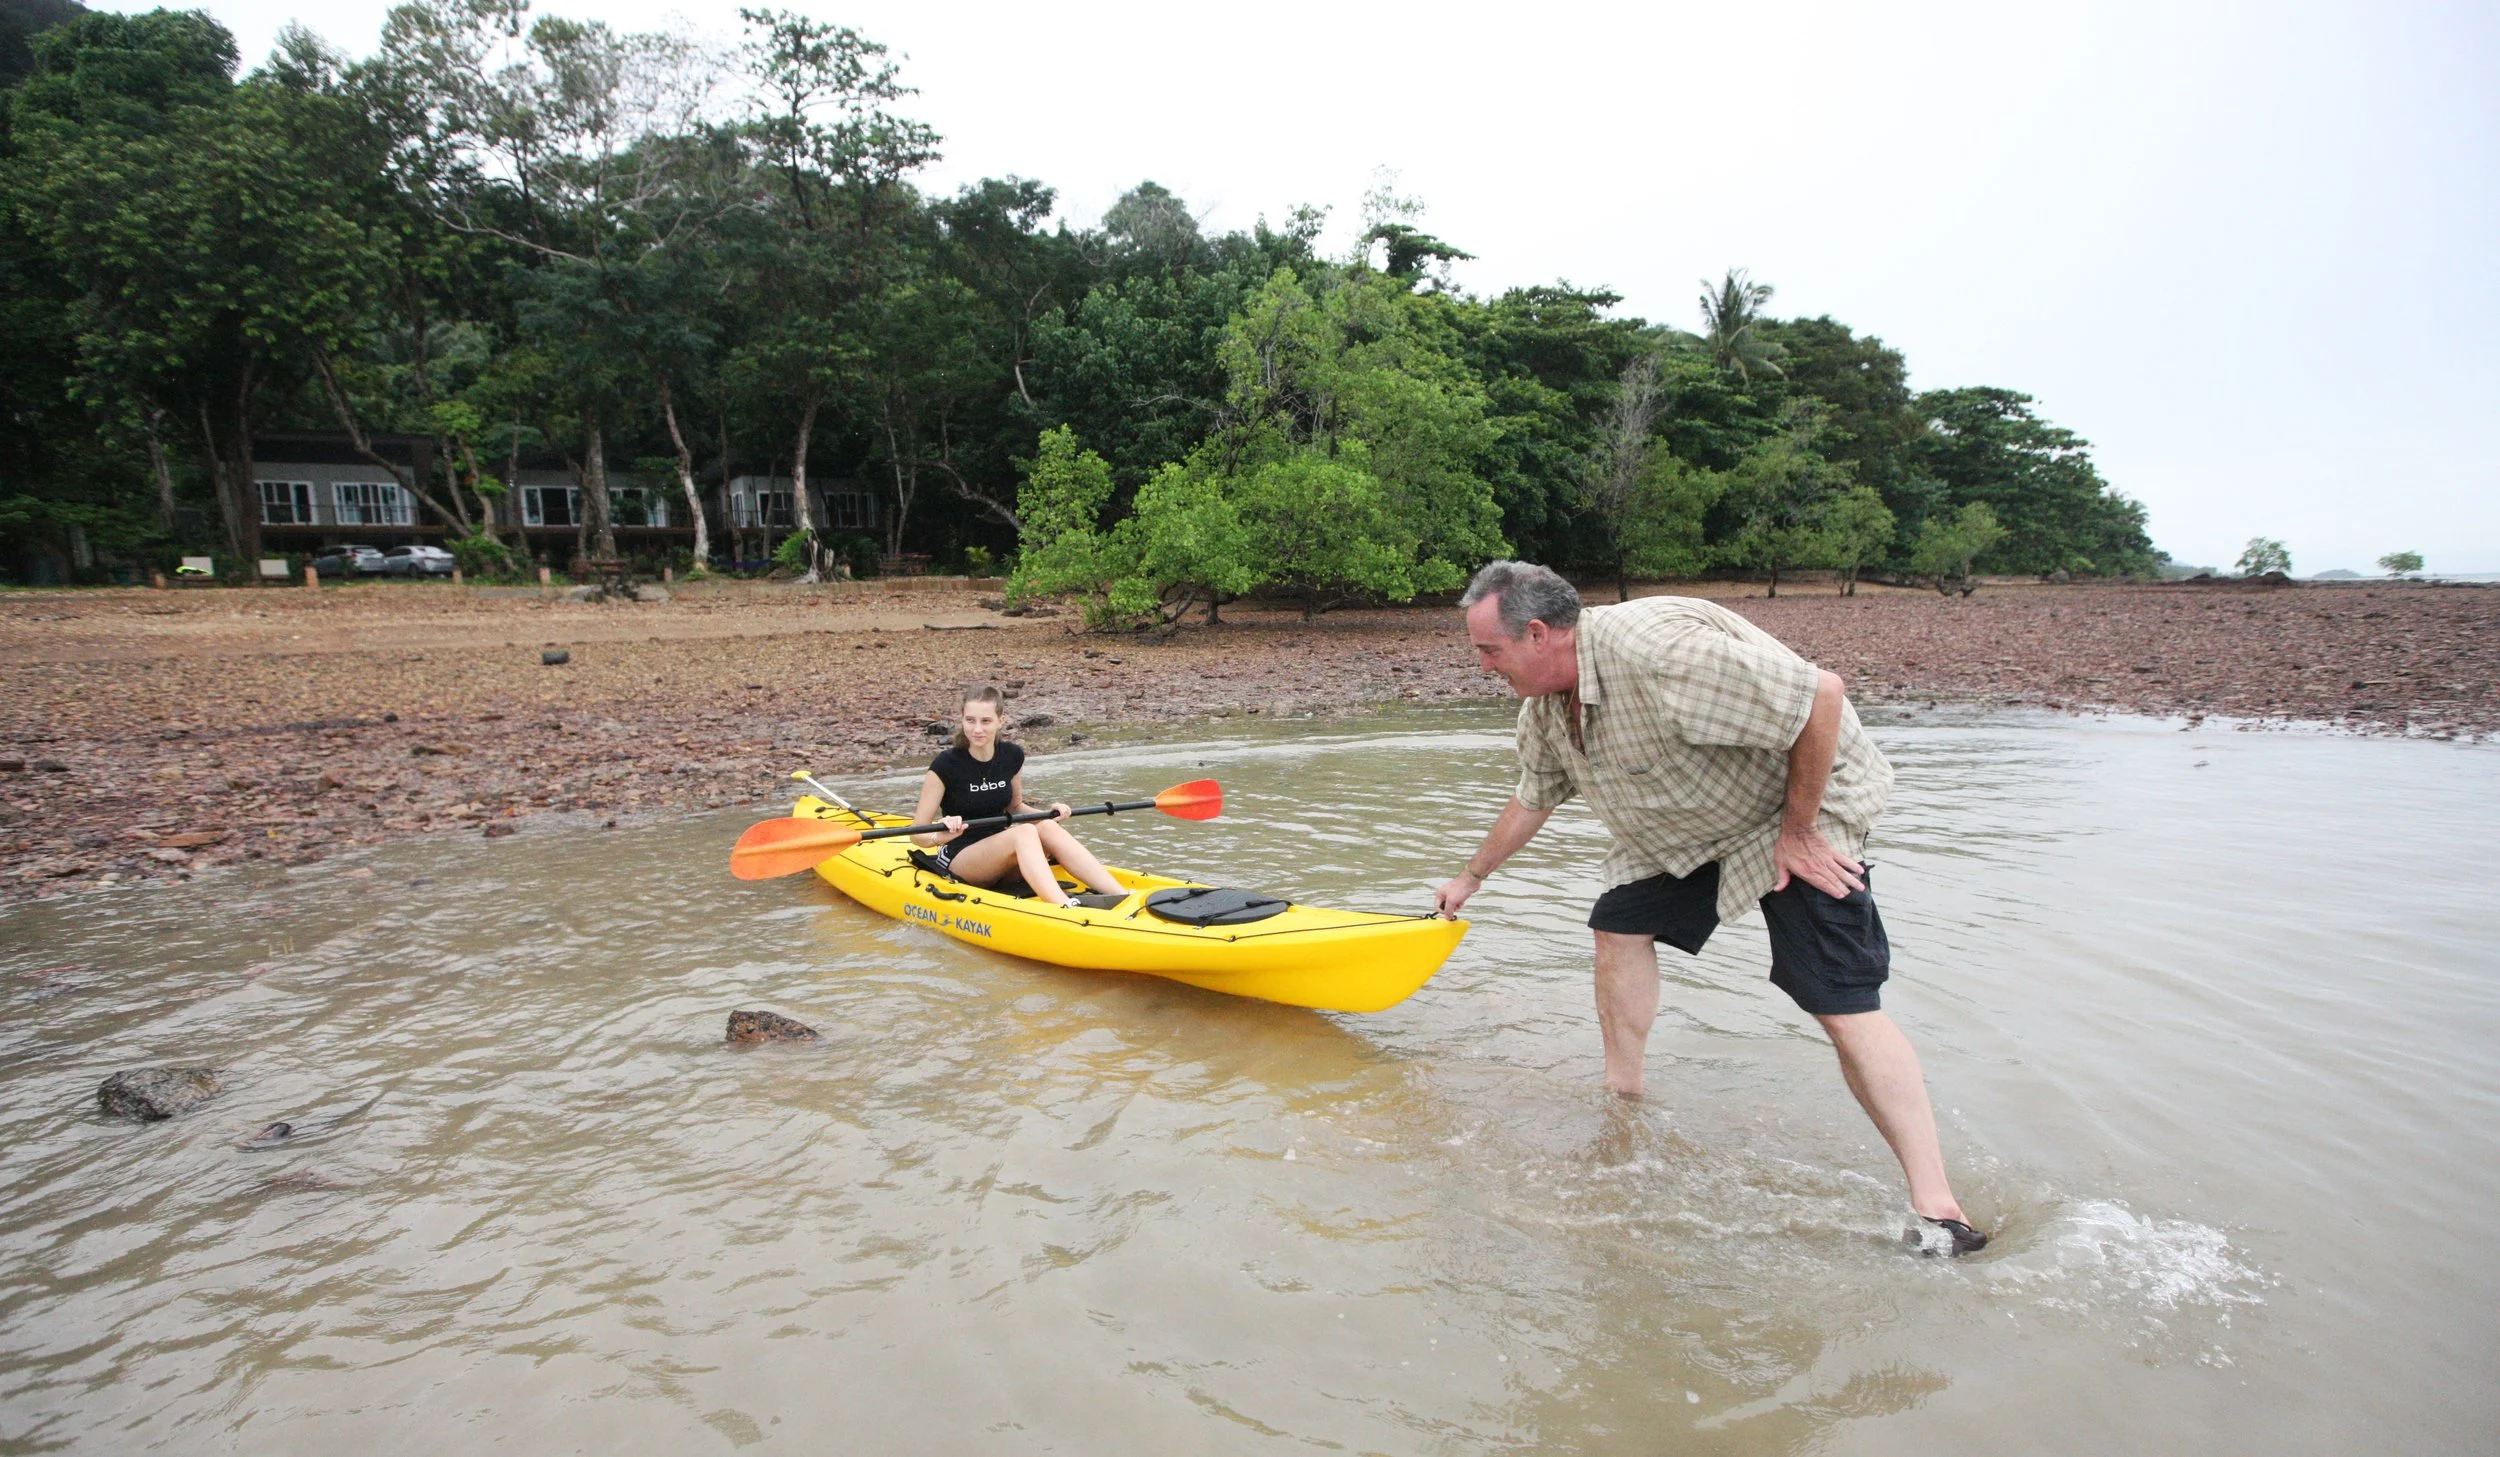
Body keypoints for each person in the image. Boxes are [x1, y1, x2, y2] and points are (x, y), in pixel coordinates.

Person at [1432, 561, 1988, 1254]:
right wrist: (1471, 876)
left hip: (1799, 810)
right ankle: (1623, 1105)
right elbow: (1534, 797)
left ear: (1538, 634)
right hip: (1697, 824)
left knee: (1839, 1001)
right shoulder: (1547, 707)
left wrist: (1800, 829)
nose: (1483, 666)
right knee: (1619, 921)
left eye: (1489, 650)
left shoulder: (1661, 655)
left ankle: (1940, 1210)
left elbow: (1822, 696)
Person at [912, 685, 1126, 908]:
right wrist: (939, 834)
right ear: (963, 720)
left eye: (985, 721)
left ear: (1000, 721)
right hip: (961, 856)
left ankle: (1121, 896)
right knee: (1024, 832)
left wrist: (1049, 815)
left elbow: (1015, 807)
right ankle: (1064, 906)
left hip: (1003, 852)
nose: (977, 729)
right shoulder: (945, 765)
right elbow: (917, 835)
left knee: (1045, 827)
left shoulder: (1011, 755)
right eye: (970, 720)